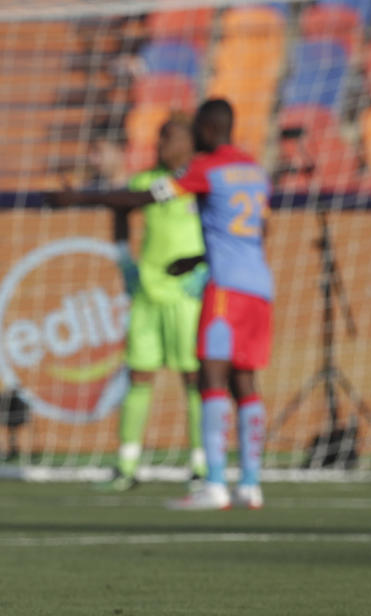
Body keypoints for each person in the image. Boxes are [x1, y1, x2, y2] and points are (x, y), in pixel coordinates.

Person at [48, 99, 272, 510]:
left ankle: (214, 481)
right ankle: (251, 484)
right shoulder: (254, 170)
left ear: (204, 130)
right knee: (246, 383)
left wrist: (79, 195)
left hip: (221, 291)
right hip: (259, 287)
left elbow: (148, 197)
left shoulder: (205, 168)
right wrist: (202, 257)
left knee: (209, 379)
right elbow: (262, 227)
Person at [96, 116, 207, 491]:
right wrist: (124, 257)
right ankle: (127, 465)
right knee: (138, 376)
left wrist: (206, 268)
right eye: (159, 138)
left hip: (187, 296)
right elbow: (120, 208)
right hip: (147, 292)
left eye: (169, 138)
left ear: (190, 142)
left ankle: (201, 463)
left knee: (195, 378)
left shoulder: (200, 182)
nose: (161, 146)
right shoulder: (145, 182)